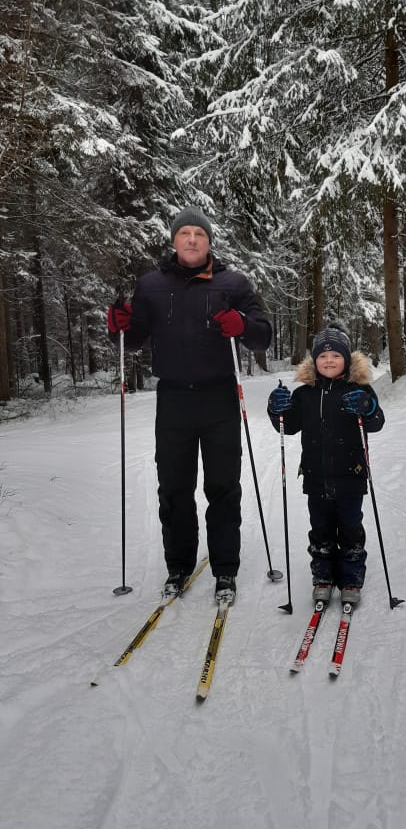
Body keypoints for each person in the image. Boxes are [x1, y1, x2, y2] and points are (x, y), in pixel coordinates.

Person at [107, 206, 272, 603]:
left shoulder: (233, 283)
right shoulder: (151, 285)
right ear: (174, 240)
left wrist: (243, 325)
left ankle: (225, 570)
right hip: (174, 400)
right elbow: (132, 337)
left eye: (199, 234)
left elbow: (262, 335)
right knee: (174, 488)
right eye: (185, 233)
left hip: (220, 398)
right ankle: (178, 567)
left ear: (209, 241)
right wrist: (119, 326)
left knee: (223, 487)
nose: (192, 239)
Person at [267, 322, 384, 604]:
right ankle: (323, 576)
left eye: (335, 355)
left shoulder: (359, 389)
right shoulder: (304, 393)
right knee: (320, 529)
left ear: (346, 359)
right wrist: (276, 409)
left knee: (351, 528)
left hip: (351, 475)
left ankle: (351, 578)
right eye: (322, 356)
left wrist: (368, 408)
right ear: (314, 360)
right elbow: (288, 426)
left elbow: (376, 422)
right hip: (315, 476)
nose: (329, 361)